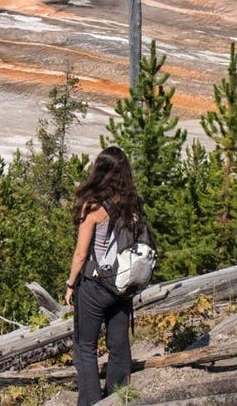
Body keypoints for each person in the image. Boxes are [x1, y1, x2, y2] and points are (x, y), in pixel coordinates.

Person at [64, 146, 146, 405]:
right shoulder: (133, 203)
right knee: (118, 344)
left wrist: (70, 284)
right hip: (123, 284)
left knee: (85, 347)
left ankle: (89, 401)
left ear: (100, 170)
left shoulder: (93, 206)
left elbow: (80, 254)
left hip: (96, 284)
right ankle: (119, 395)